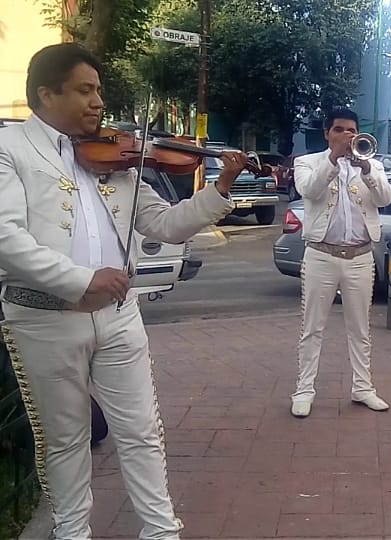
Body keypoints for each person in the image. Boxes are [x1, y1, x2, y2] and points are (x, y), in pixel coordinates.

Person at [0, 43, 243, 539]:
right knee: (66, 439)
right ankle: (72, 532)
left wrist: (219, 190)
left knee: (142, 432)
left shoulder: (117, 158)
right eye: (85, 90)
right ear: (47, 93)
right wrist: (81, 279)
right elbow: (6, 238)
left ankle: (160, 531)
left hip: (118, 315)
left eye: (99, 90)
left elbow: (166, 225)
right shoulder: (10, 150)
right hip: (44, 317)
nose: (97, 102)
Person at [290, 108, 391, 417]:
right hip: (321, 254)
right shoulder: (307, 163)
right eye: (339, 130)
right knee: (313, 327)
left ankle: (363, 387)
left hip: (361, 256)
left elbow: (386, 198)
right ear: (327, 133)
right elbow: (309, 190)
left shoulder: (372, 163)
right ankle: (304, 390)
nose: (347, 136)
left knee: (360, 327)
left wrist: (367, 170)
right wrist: (333, 159)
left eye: (351, 130)